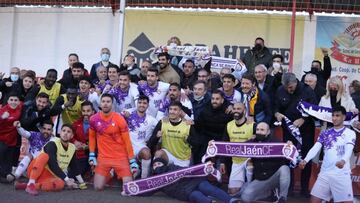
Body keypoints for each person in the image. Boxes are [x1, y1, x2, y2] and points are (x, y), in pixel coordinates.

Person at [299, 106, 355, 203]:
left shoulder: (350, 133)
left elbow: (349, 150)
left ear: (344, 117)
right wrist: (305, 160)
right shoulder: (325, 133)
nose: (334, 118)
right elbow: (316, 147)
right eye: (333, 115)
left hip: (341, 175)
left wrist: (343, 161)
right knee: (313, 201)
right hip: (325, 173)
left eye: (337, 116)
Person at [274, 72, 317, 196]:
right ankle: (289, 187)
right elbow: (276, 106)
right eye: (286, 88)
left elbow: (314, 109)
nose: (289, 90)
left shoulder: (307, 90)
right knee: (289, 157)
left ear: (295, 82)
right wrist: (277, 113)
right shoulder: (280, 90)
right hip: (289, 130)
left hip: (306, 130)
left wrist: (303, 119)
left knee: (306, 158)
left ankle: (304, 189)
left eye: (291, 87)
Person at [17, 124, 86, 195]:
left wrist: (82, 183)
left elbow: (74, 166)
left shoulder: (72, 148)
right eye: (63, 131)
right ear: (60, 133)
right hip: (36, 170)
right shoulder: (52, 143)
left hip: (50, 176)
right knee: (44, 156)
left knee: (60, 184)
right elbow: (52, 164)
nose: (65, 133)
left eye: (68, 132)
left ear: (72, 136)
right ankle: (31, 183)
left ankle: (28, 185)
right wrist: (67, 180)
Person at [88, 93, 138, 191]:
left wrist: (132, 161)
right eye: (103, 101)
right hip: (104, 157)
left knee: (128, 189)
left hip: (120, 157)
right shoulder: (93, 119)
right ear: (100, 103)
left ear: (112, 104)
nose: (105, 104)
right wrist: (92, 155)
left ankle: (119, 172)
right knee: (98, 187)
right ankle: (109, 174)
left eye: (108, 102)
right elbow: (92, 137)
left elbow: (127, 141)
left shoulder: (119, 119)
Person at [239, 122, 291, 203]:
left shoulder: (277, 142)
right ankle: (268, 193)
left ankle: (282, 198)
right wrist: (214, 145)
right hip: (260, 179)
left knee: (285, 168)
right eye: (257, 130)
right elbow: (238, 148)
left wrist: (289, 147)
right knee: (245, 198)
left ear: (268, 132)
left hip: (275, 177)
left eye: (262, 130)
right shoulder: (252, 142)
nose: (259, 132)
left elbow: (289, 159)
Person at [147, 158, 235, 203]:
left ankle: (231, 200)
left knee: (206, 187)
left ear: (164, 164)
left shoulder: (172, 167)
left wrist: (204, 166)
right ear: (152, 168)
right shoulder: (155, 181)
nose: (158, 165)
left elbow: (189, 170)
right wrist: (134, 188)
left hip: (192, 182)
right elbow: (146, 189)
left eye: (159, 163)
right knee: (197, 196)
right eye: (155, 165)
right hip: (184, 192)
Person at [148, 101, 198, 167]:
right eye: (170, 109)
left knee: (181, 177)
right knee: (158, 153)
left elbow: (197, 143)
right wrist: (156, 137)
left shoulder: (187, 124)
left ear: (180, 112)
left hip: (182, 159)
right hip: (167, 155)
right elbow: (150, 143)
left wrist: (188, 139)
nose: (172, 112)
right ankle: (156, 175)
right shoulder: (163, 122)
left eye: (175, 109)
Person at [221, 102, 254, 195]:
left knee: (250, 163)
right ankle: (245, 187)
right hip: (236, 160)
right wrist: (222, 162)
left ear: (244, 110)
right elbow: (224, 144)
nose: (236, 111)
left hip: (250, 159)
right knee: (232, 192)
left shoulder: (252, 124)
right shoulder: (229, 125)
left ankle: (250, 184)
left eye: (239, 109)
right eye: (234, 109)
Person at [195, 90, 232, 163]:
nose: (214, 101)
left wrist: (232, 106)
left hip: (222, 141)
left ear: (222, 100)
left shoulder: (228, 110)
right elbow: (198, 125)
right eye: (213, 99)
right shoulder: (205, 109)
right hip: (206, 140)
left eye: (217, 99)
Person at [126, 95, 157, 178]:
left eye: (144, 103)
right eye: (140, 102)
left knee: (146, 153)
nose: (142, 105)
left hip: (141, 148)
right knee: (130, 177)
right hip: (127, 148)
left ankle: (144, 178)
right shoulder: (128, 115)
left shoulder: (151, 120)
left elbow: (162, 126)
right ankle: (135, 170)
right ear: (137, 103)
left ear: (148, 105)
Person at [0, 93, 23, 183]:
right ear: (8, 101)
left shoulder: (20, 108)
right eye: (11, 100)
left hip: (12, 140)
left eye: (15, 100)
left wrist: (19, 123)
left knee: (8, 161)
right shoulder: (3, 110)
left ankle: (6, 174)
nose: (13, 102)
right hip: (1, 139)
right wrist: (2, 118)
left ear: (19, 102)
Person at [71, 101, 95, 177]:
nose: (86, 113)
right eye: (84, 111)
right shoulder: (76, 123)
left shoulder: (98, 123)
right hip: (81, 154)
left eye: (88, 111)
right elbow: (70, 135)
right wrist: (75, 141)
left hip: (96, 153)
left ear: (93, 111)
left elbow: (102, 140)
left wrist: (88, 146)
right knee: (74, 175)